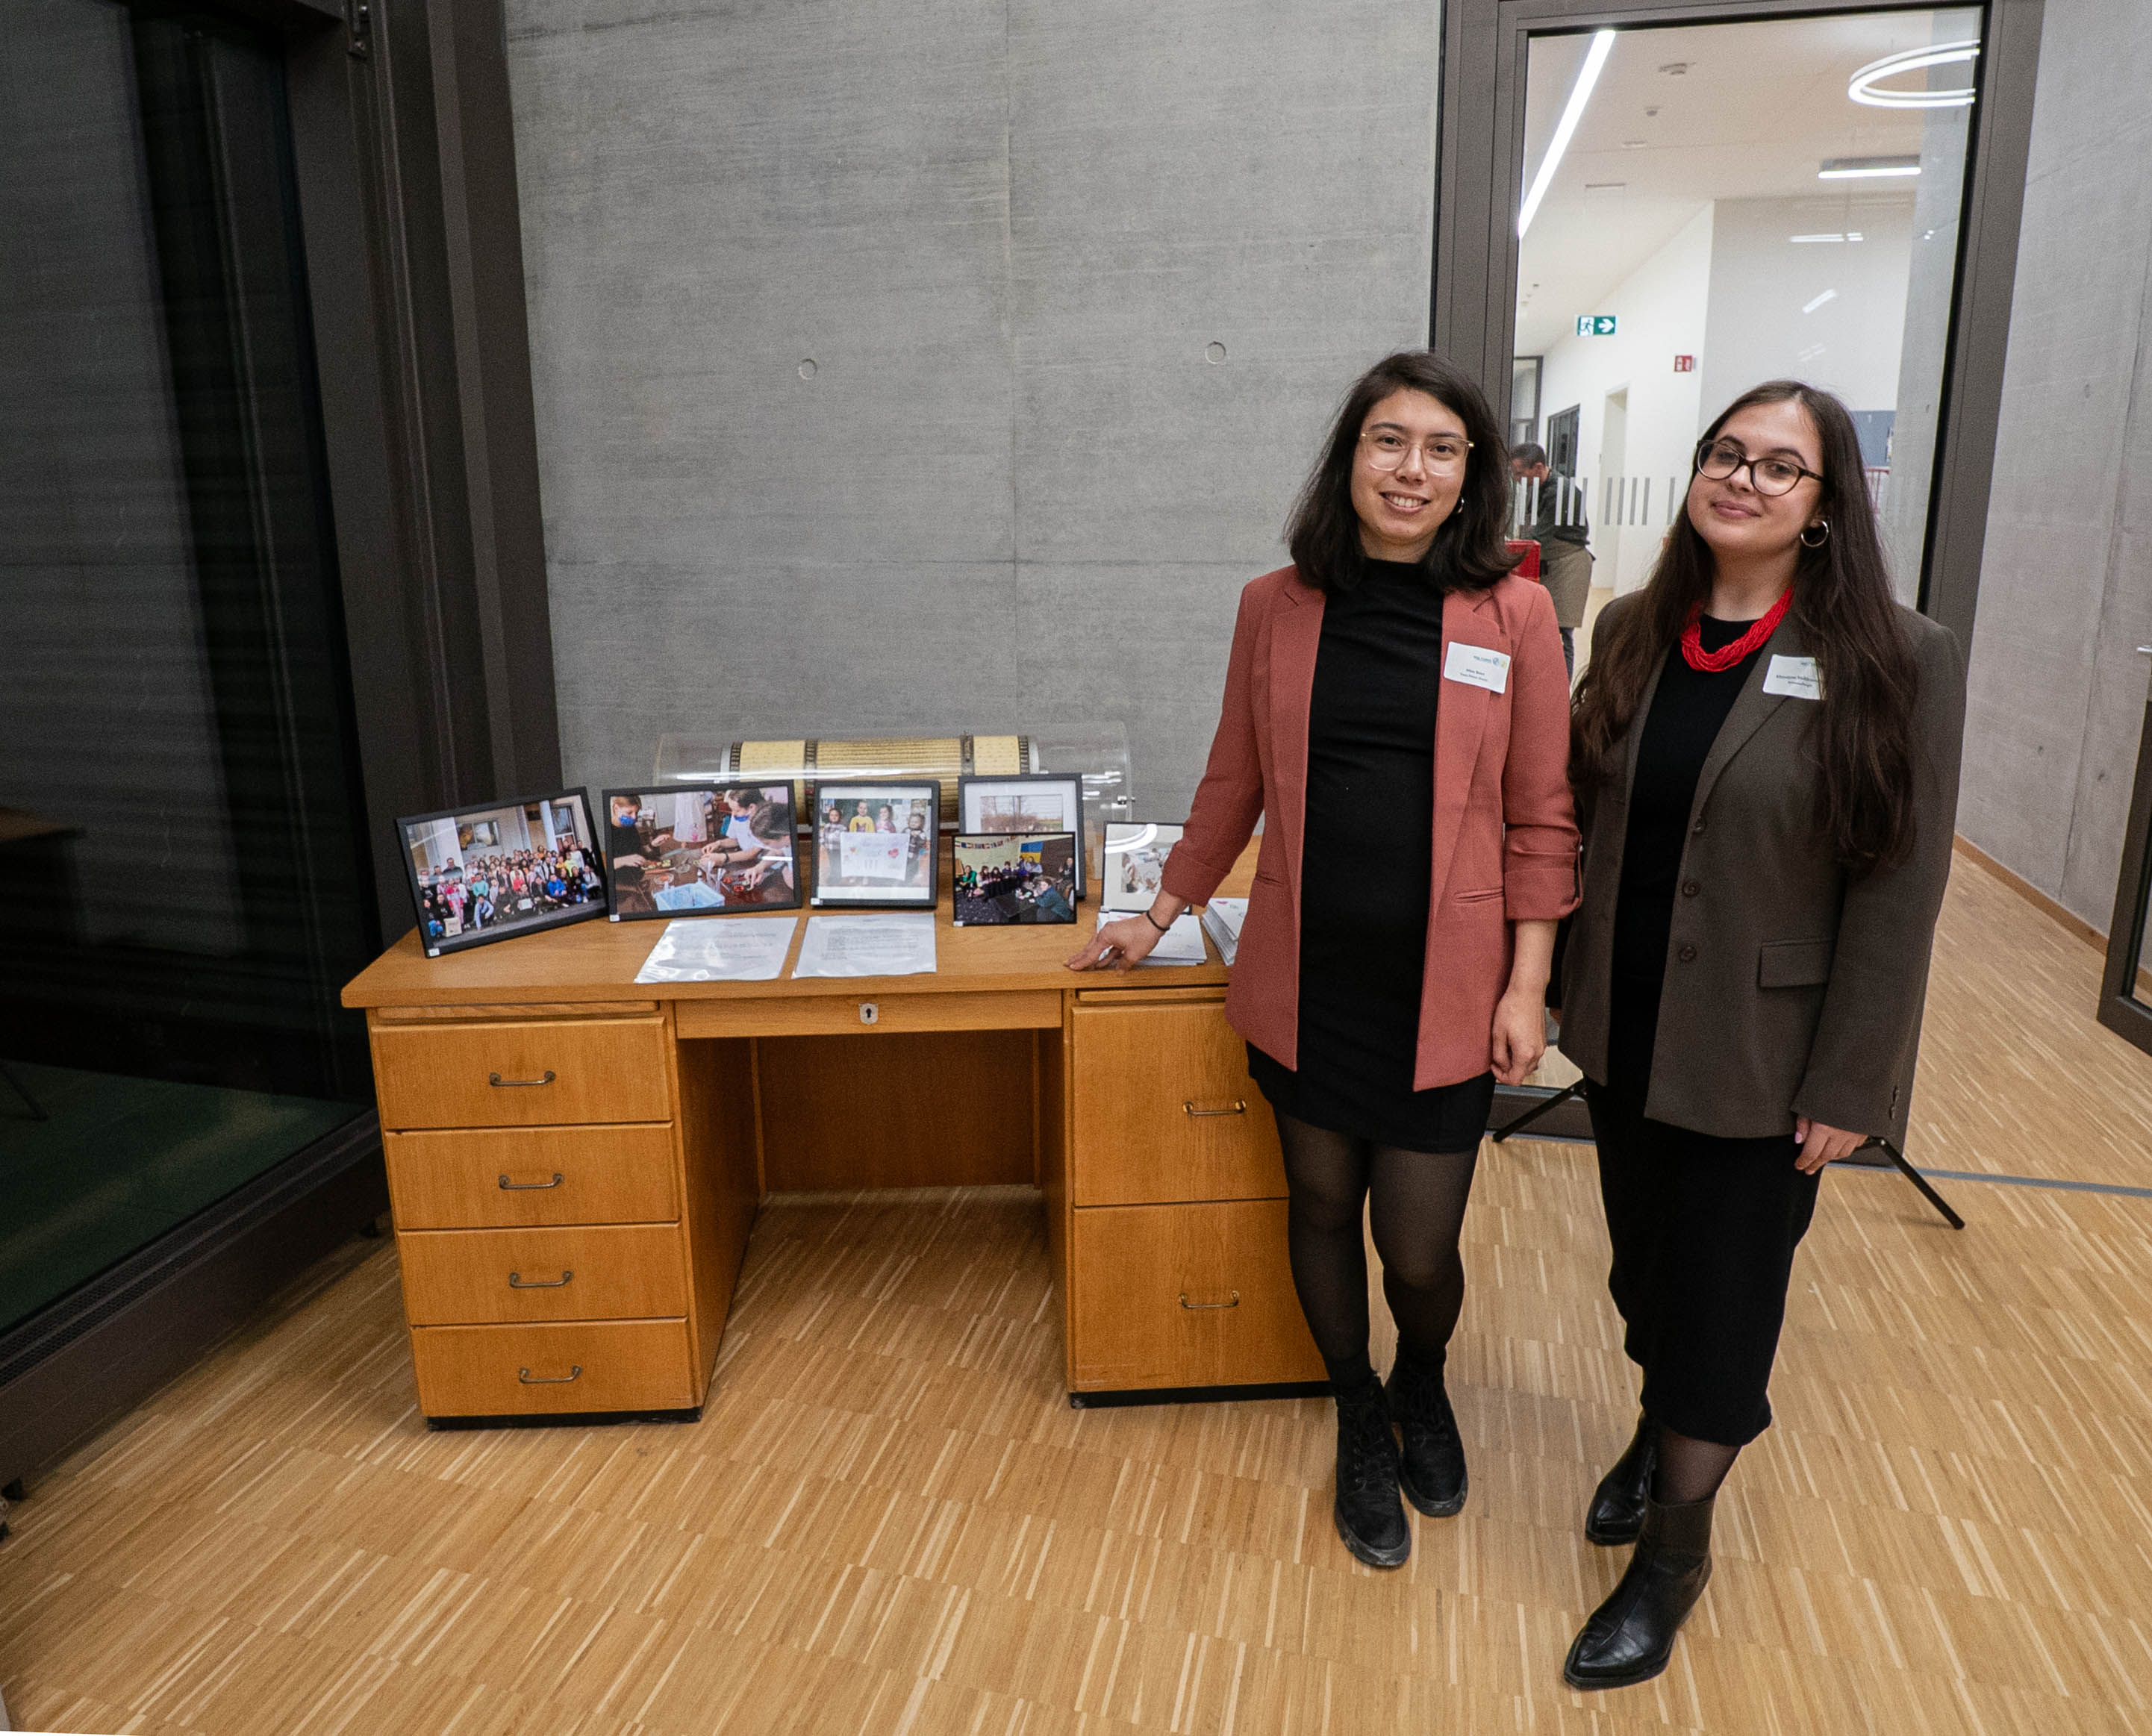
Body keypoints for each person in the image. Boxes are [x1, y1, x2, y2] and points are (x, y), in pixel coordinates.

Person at [1067, 350, 1579, 1570]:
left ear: (1471, 474)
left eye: (1440, 448)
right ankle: (1356, 1409)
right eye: (1387, 440)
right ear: (1348, 457)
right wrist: (1159, 910)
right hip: (1308, 975)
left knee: (1418, 1247)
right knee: (1317, 1205)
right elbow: (1231, 777)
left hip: (1448, 988)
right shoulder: (1275, 604)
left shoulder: (1513, 614)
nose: (1411, 469)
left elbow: (1541, 813)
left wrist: (1526, 983)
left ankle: (1420, 1381)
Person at [1553, 381, 1965, 1690]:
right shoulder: (1632, 626)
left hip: (1762, 1053)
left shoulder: (1896, 656)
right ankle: (1655, 1422)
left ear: (1825, 504)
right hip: (1622, 1024)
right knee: (1644, 1276)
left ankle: (1671, 1558)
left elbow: (1897, 885)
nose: (1741, 478)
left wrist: (1852, 1081)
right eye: (1724, 454)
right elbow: (1586, 816)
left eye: (1778, 466)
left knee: (1722, 1308)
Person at [1511, 442, 1591, 679]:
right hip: (1551, 564)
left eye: (1520, 473)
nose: (1517, 479)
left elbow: (1539, 537)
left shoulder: (1560, 492)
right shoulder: (1541, 488)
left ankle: (1561, 692)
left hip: (1569, 566)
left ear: (1537, 468)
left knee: (1561, 634)